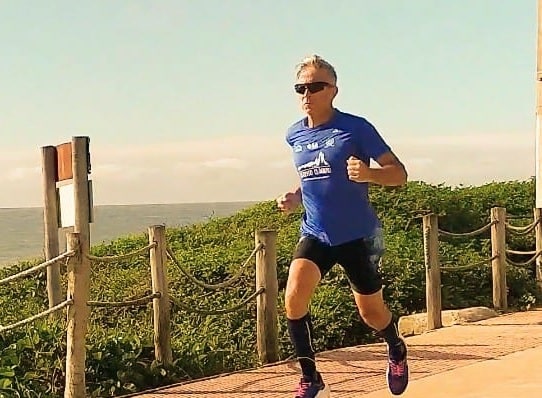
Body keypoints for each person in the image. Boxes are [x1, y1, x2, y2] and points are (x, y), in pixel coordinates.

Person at [276, 54, 409, 398]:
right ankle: (310, 377)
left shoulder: (356, 127)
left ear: (333, 90)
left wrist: (370, 175)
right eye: (301, 88)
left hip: (357, 236)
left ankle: (395, 346)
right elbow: (312, 176)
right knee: (293, 299)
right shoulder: (294, 135)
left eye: (316, 86)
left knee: (372, 314)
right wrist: (294, 196)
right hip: (315, 232)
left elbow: (400, 174)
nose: (307, 93)